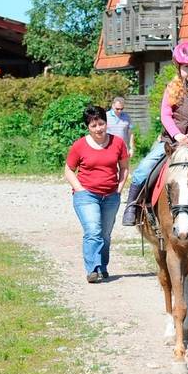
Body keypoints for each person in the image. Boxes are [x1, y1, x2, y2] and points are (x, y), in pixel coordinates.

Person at [122, 40, 188, 226]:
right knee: (141, 171)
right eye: (187, 66)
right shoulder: (171, 89)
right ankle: (134, 207)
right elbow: (165, 115)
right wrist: (177, 136)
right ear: (179, 67)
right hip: (171, 143)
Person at [64, 104, 130, 283]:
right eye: (93, 126)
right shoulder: (79, 146)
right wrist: (79, 189)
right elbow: (69, 170)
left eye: (101, 124)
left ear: (106, 122)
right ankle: (92, 269)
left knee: (105, 234)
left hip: (111, 196)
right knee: (93, 230)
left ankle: (102, 266)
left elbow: (124, 168)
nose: (98, 129)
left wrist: (118, 189)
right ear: (88, 127)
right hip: (86, 195)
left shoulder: (118, 143)